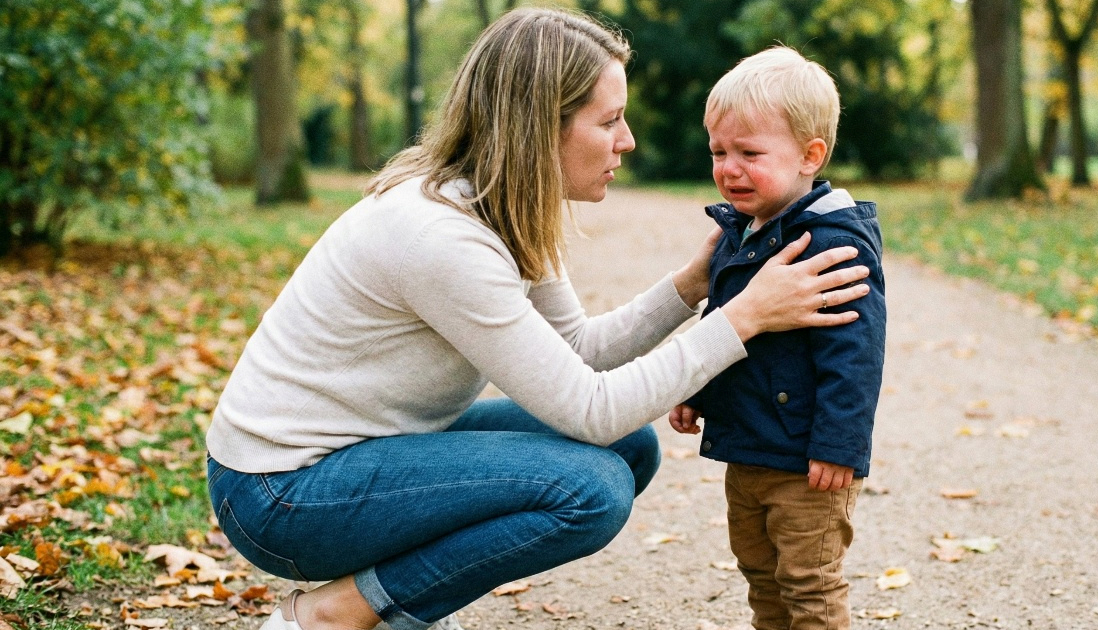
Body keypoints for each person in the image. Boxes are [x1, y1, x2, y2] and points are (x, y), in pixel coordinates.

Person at [205, 9, 872, 630]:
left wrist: (689, 285)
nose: (628, 140)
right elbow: (590, 409)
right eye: (609, 121)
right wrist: (743, 318)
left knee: (628, 450)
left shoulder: (507, 204)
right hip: (282, 494)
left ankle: (395, 590)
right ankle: (336, 612)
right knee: (591, 488)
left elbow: (580, 349)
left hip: (363, 455)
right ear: (540, 126)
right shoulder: (440, 237)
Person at [668, 46, 887, 630]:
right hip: (749, 449)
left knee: (809, 582)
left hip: (807, 462)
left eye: (749, 153)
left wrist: (841, 446)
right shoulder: (741, 233)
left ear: (809, 156)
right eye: (719, 151)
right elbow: (728, 319)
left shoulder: (832, 245)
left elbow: (856, 354)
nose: (729, 168)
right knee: (760, 574)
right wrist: (699, 390)